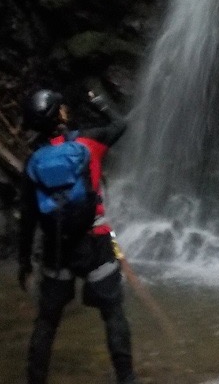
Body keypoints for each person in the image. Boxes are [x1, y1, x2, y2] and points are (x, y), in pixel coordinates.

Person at [18, 87, 141, 384]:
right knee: (113, 313)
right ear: (59, 115)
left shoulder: (33, 162)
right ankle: (126, 378)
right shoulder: (89, 142)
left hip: (56, 248)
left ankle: (35, 380)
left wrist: (24, 263)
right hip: (95, 240)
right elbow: (121, 125)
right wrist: (97, 101)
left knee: (47, 321)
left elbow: (28, 219)